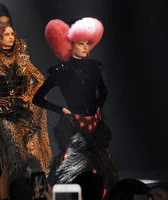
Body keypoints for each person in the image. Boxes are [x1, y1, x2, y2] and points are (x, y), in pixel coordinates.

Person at [32, 17, 119, 196]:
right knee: (71, 167)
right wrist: (61, 110)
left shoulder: (94, 68)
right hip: (73, 125)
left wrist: (97, 108)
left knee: (99, 165)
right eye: (81, 44)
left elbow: (103, 92)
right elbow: (38, 98)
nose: (86, 47)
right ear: (70, 45)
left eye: (87, 43)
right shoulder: (61, 71)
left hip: (94, 124)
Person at [0, 22, 52, 199]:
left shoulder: (23, 60)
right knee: (17, 157)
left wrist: (30, 96)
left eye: (12, 34)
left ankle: (30, 193)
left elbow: (41, 79)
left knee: (34, 157)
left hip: (24, 114)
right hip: (3, 116)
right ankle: (5, 191)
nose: (11, 37)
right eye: (6, 35)